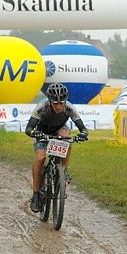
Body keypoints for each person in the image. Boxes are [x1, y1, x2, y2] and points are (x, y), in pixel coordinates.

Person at [25, 82, 88, 213]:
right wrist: (34, 133)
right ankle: (36, 195)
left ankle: (63, 170)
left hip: (59, 130)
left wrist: (83, 134)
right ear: (50, 101)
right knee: (41, 157)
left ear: (65, 102)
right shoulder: (41, 107)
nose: (59, 106)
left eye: (61, 103)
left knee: (66, 137)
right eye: (55, 103)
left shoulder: (69, 108)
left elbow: (82, 128)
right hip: (42, 131)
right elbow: (29, 128)